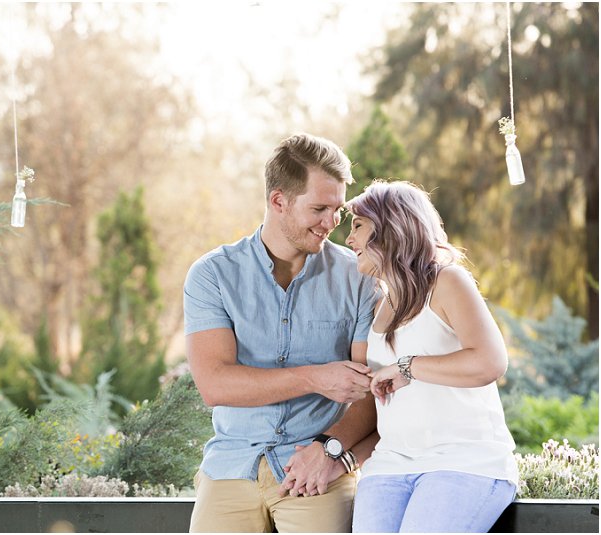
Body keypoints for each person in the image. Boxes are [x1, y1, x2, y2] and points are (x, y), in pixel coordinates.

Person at [183, 133, 380, 533]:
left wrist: (330, 449)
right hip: (232, 464)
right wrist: (315, 377)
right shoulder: (213, 275)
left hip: (316, 468)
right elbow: (216, 384)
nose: (331, 223)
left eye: (338, 210)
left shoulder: (357, 278)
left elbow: (369, 392)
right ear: (279, 201)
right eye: (319, 209)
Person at [344, 180, 518, 533]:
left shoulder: (448, 282)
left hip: (465, 462)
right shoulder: (380, 304)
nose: (349, 240)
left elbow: (490, 362)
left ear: (390, 226)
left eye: (358, 227)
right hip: (390, 465)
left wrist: (409, 367)